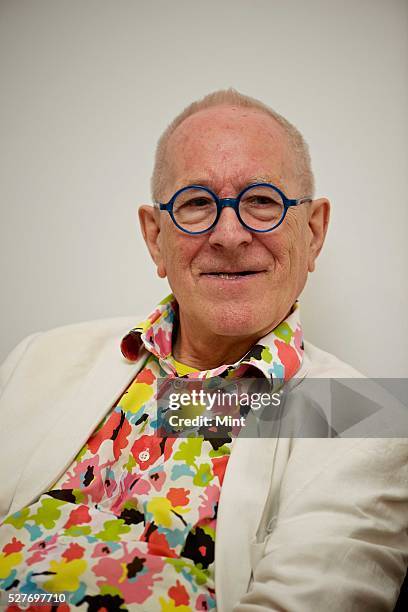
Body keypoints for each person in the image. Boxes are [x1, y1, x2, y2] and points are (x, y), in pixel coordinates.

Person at [0, 89, 406, 611]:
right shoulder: (41, 357)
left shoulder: (363, 419)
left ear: (314, 230)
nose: (230, 234)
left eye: (262, 200)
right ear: (154, 238)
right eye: (197, 203)